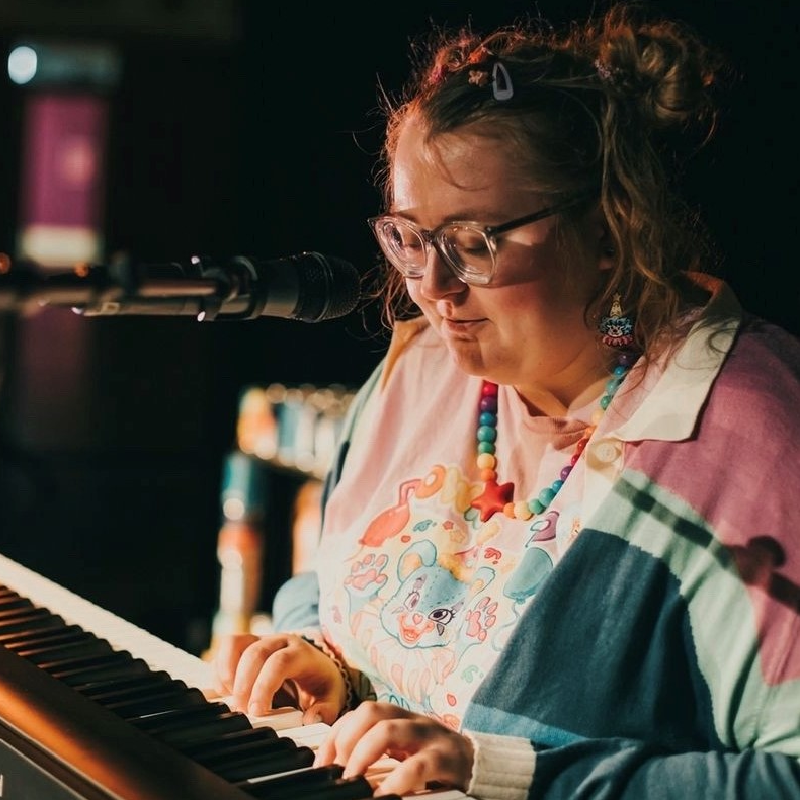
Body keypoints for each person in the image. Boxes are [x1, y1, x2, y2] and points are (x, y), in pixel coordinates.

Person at [212, 3, 800, 797]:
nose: (433, 287)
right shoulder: (423, 369)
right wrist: (323, 660)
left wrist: (509, 775)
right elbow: (335, 586)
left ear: (606, 231)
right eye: (411, 239)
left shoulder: (747, 436)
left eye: (474, 242)